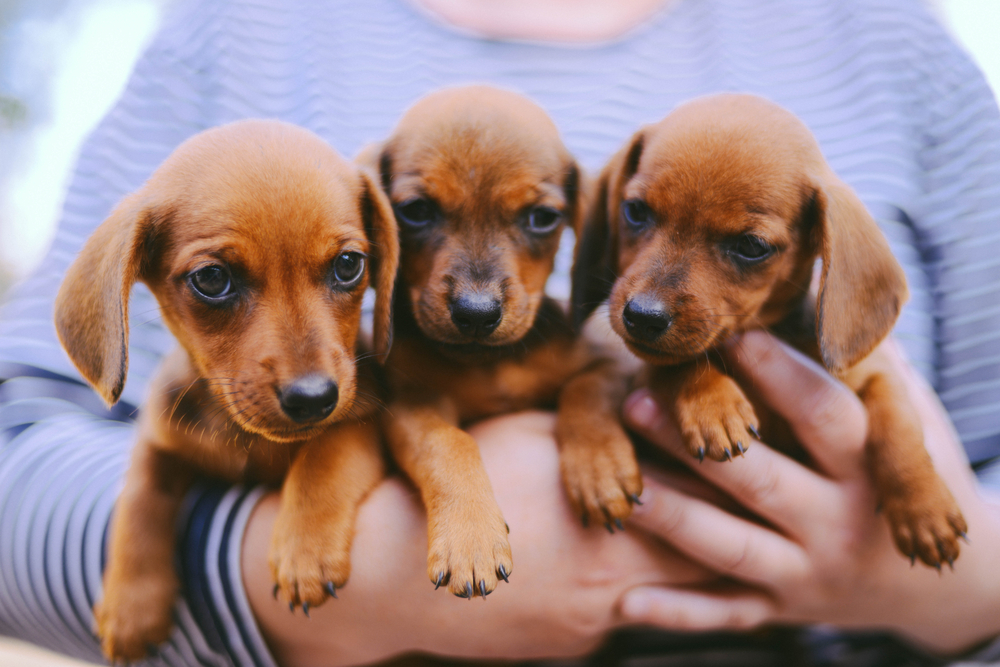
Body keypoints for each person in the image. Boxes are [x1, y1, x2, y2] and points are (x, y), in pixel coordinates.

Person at [1, 0, 999, 665]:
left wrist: (944, 587)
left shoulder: (892, 45)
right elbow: (21, 449)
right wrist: (291, 576)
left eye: (536, 223)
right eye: (418, 217)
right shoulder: (228, 32)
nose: (471, 294)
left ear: (577, 222)